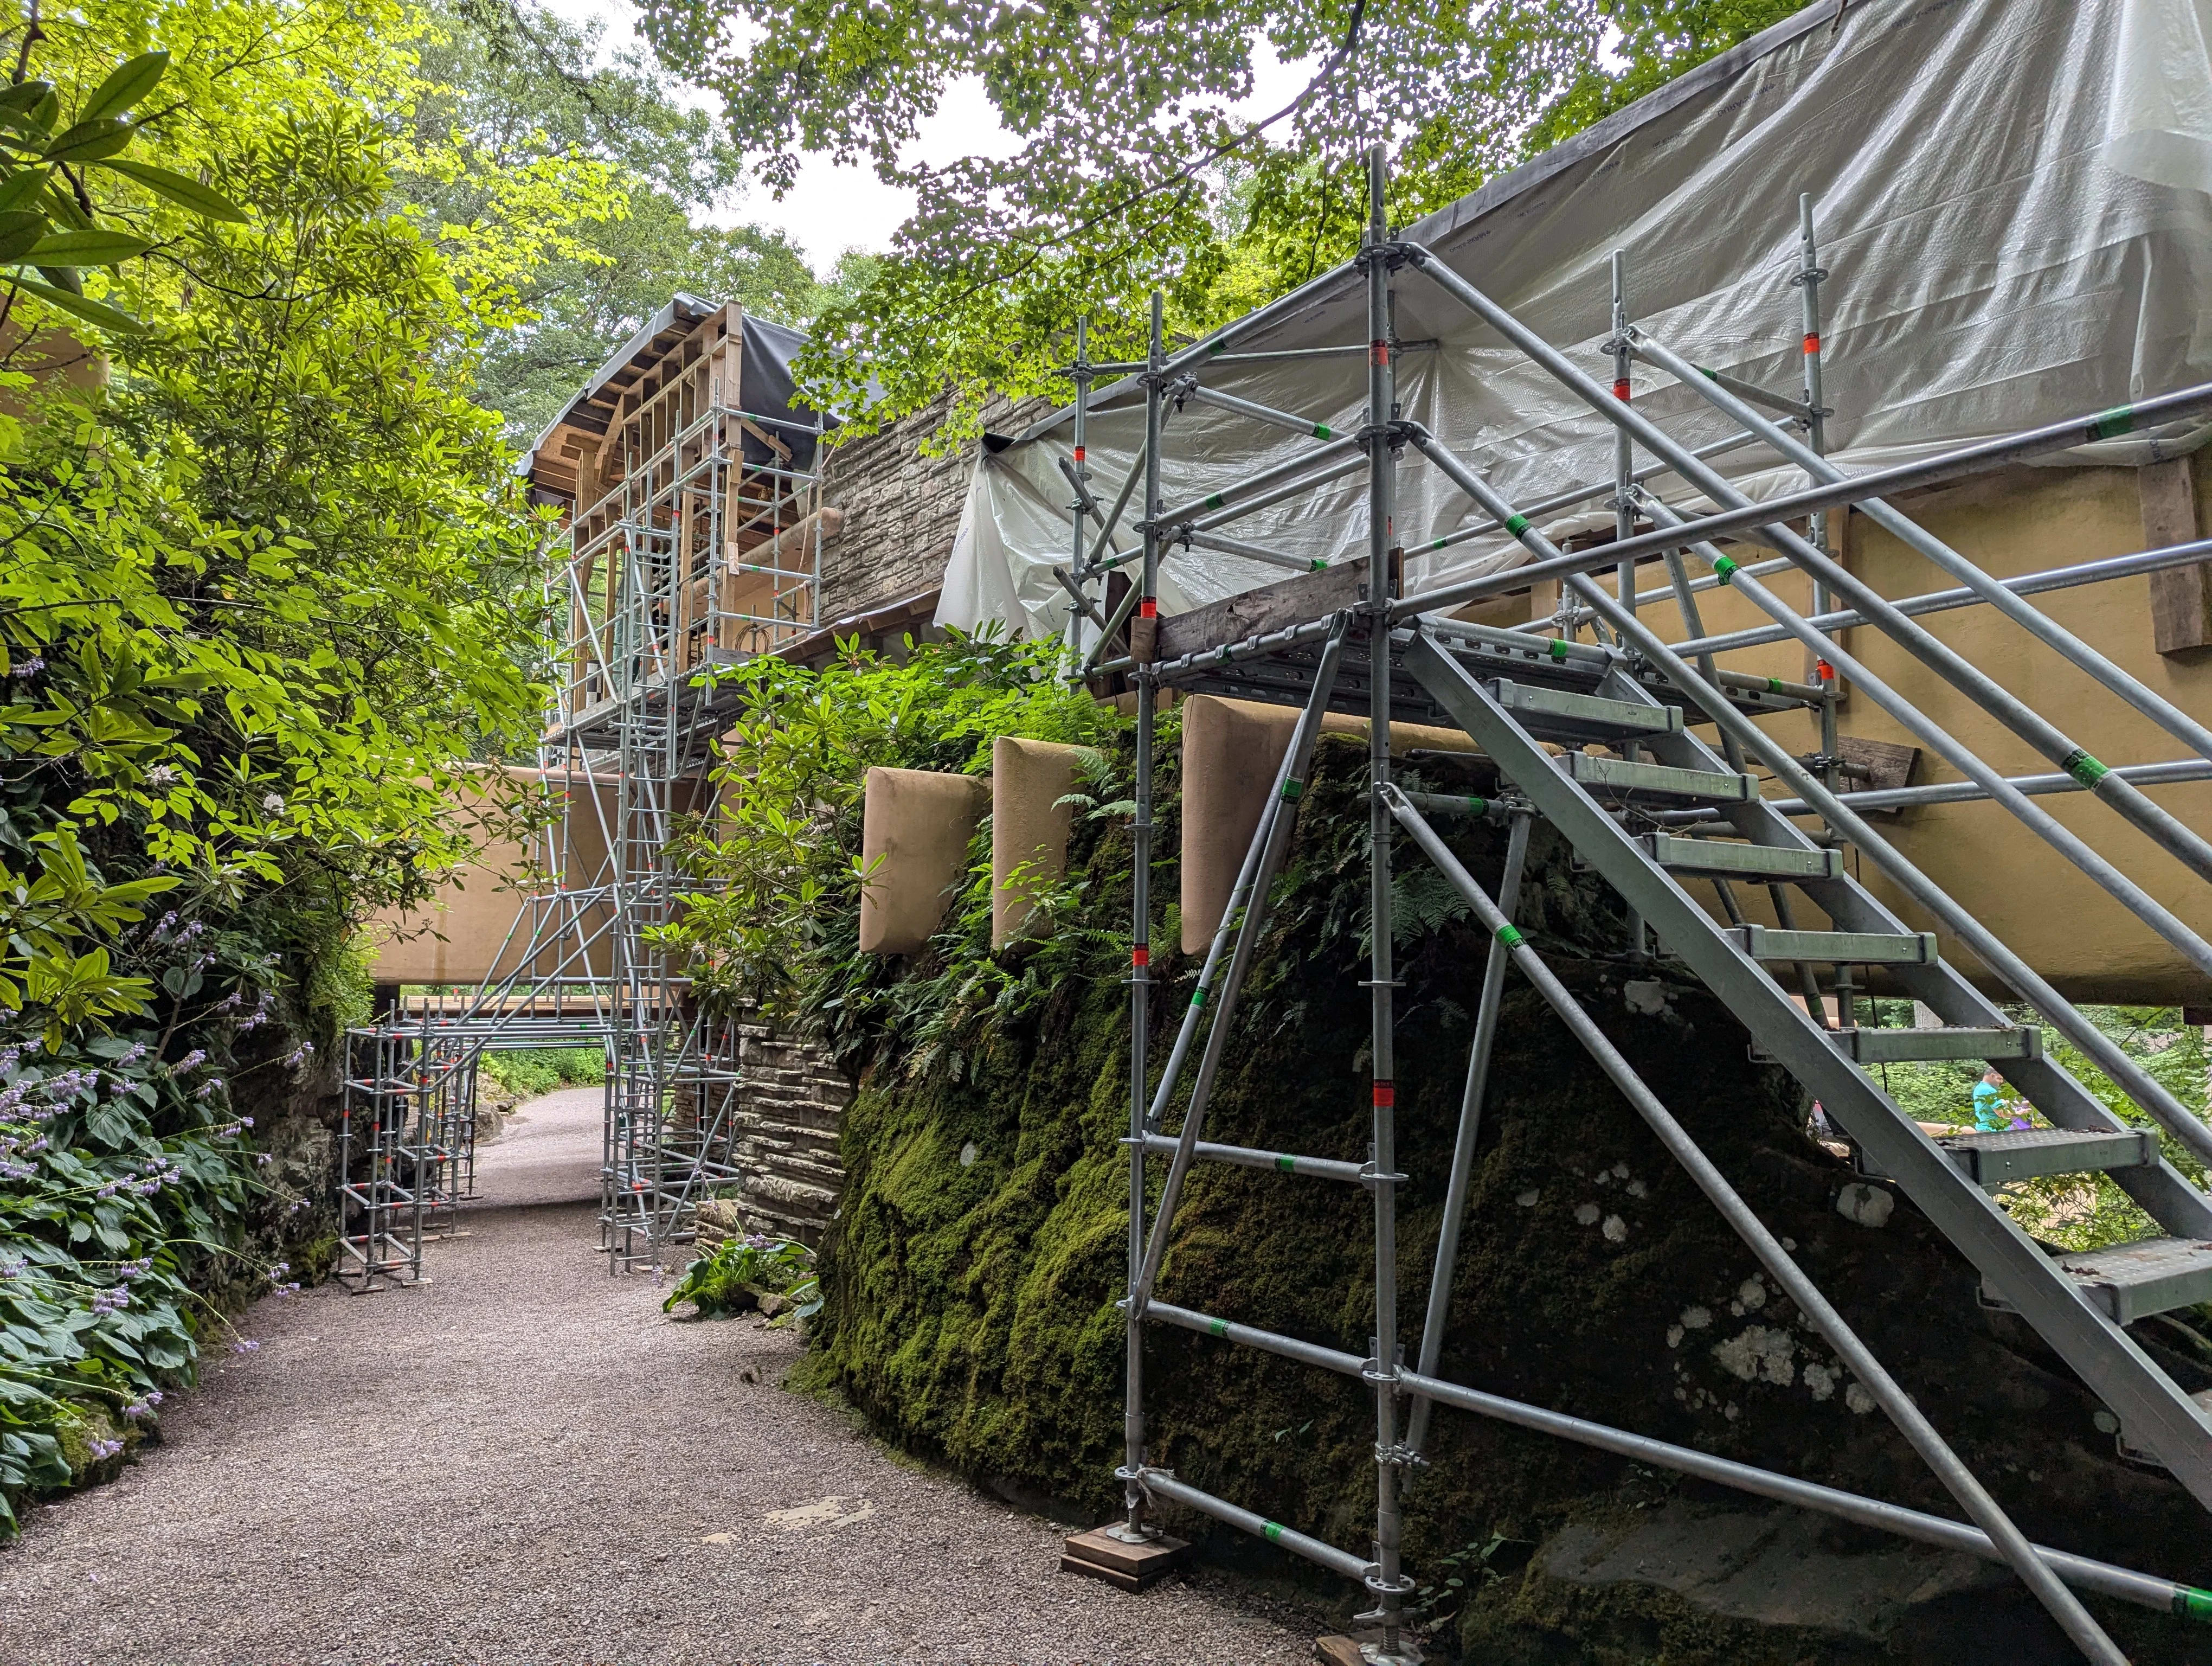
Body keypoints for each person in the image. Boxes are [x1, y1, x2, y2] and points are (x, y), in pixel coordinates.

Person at [1971, 1066, 2010, 1132]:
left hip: (1983, 1128)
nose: (2002, 1081)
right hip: (1993, 1130)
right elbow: (2002, 1114)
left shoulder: (1979, 1088)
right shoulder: (1989, 1090)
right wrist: (2019, 1113)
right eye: (1999, 1079)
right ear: (1992, 1076)